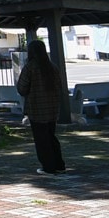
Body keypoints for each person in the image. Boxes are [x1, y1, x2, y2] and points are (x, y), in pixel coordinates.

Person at [16, 39, 67, 176]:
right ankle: (59, 164)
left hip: (37, 108)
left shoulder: (30, 67)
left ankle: (48, 167)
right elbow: (59, 86)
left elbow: (22, 88)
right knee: (51, 136)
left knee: (41, 139)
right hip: (52, 108)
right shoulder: (52, 67)